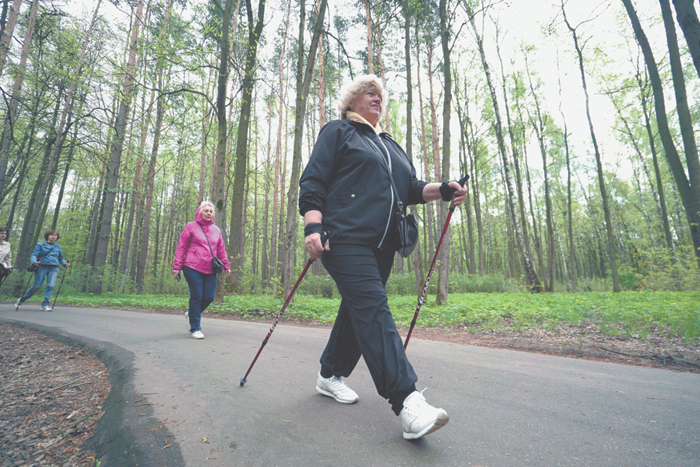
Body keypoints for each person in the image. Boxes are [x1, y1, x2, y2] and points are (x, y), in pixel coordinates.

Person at [299, 74, 467, 440]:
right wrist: (313, 226)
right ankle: (407, 402)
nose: (377, 97)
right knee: (374, 308)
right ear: (351, 101)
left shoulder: (390, 146)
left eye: (380, 94)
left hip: (384, 243)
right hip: (343, 238)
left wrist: (444, 188)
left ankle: (329, 375)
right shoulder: (339, 132)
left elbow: (409, 189)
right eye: (368, 92)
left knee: (359, 309)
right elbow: (313, 181)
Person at [172, 201, 231, 339]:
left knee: (209, 297)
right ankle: (195, 328)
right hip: (192, 266)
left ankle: (191, 314)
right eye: (206, 211)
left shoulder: (216, 230)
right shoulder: (191, 227)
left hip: (210, 268)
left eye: (211, 211)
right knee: (197, 295)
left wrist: (226, 265)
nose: (209, 213)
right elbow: (181, 247)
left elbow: (221, 249)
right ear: (200, 212)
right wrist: (177, 266)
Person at [15, 230, 70, 312]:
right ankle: (21, 300)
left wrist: (64, 264)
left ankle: (45, 305)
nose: (53, 236)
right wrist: (34, 262)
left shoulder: (58, 247)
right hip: (42, 266)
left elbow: (61, 257)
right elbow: (34, 254)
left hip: (54, 267)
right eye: (51, 235)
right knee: (37, 286)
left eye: (55, 235)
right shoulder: (40, 245)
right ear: (47, 236)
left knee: (51, 285)